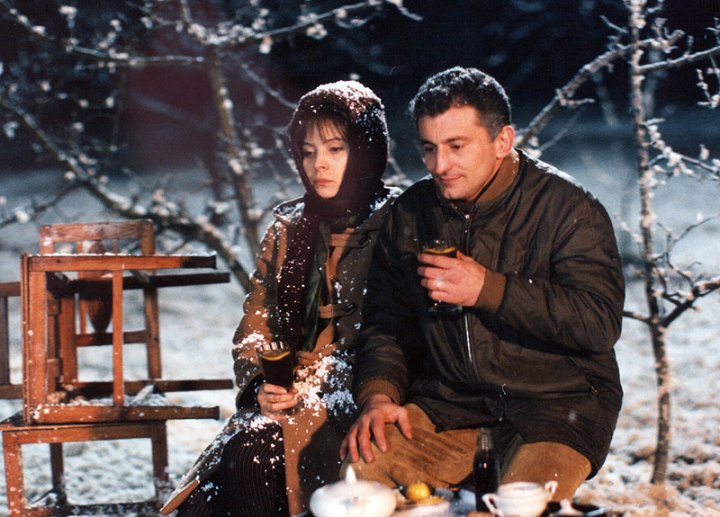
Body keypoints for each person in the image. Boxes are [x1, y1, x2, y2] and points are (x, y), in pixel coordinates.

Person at [340, 67, 625, 502]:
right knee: (362, 472)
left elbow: (598, 322)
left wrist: (489, 290)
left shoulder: (568, 209)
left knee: (518, 507)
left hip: (557, 408)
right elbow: (386, 324)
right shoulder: (411, 214)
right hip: (451, 405)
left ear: (502, 141)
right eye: (429, 148)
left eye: (456, 147)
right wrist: (379, 395)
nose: (440, 166)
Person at [160, 80, 400, 517]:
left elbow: (404, 337)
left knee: (253, 457)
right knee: (202, 504)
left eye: (335, 149)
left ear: (366, 151)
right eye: (307, 152)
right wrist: (261, 383)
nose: (318, 164)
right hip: (287, 393)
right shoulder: (287, 232)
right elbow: (256, 325)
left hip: (358, 396)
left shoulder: (399, 224)